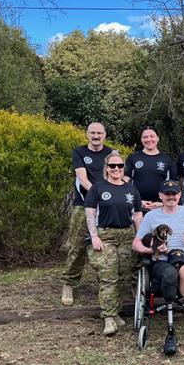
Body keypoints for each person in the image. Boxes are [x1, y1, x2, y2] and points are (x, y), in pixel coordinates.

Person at [132, 180, 184, 356]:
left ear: (179, 195)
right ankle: (170, 330)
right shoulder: (152, 216)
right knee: (169, 274)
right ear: (160, 196)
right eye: (167, 194)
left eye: (174, 194)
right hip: (162, 261)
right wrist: (152, 249)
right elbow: (136, 244)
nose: (171, 197)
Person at [84, 150, 143, 336]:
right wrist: (94, 236)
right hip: (105, 235)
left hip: (126, 235)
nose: (116, 169)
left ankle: (116, 311)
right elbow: (90, 213)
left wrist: (139, 236)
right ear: (106, 168)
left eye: (119, 166)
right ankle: (109, 317)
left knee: (123, 275)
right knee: (108, 276)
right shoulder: (98, 188)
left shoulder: (131, 189)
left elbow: (137, 214)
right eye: (112, 166)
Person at [60, 122, 113, 306]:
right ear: (87, 134)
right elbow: (82, 178)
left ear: (104, 135)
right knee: (77, 246)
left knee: (106, 245)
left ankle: (106, 284)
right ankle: (68, 283)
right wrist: (98, 195)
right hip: (83, 206)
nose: (96, 136)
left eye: (99, 133)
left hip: (106, 208)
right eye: (93, 133)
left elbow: (115, 176)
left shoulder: (111, 154)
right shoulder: (79, 152)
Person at [125, 125, 178, 212]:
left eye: (152, 136)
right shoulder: (133, 158)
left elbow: (175, 187)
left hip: (161, 207)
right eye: (145, 137)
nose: (149, 139)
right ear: (141, 139)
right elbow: (124, 183)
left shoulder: (167, 159)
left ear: (157, 138)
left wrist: (163, 203)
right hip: (138, 207)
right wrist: (138, 202)